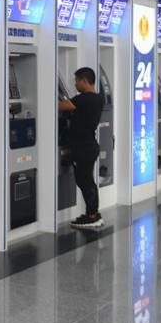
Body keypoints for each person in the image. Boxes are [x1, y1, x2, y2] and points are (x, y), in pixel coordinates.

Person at [59, 66, 105, 229]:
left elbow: (61, 106)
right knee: (87, 181)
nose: (75, 84)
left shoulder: (83, 99)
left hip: (83, 148)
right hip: (90, 146)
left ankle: (92, 216)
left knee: (85, 182)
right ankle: (92, 214)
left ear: (84, 81)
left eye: (76, 81)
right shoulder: (99, 98)